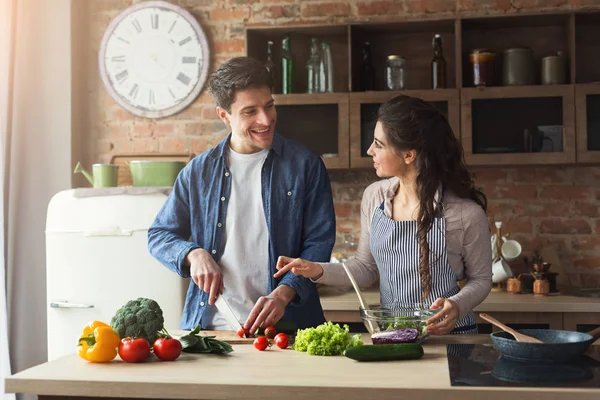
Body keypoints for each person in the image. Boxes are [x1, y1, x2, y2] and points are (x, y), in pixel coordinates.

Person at [275, 95, 492, 335]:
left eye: (379, 144)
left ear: (409, 155)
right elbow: (365, 268)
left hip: (450, 338)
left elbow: (481, 279)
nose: (370, 150)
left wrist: (458, 305)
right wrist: (315, 269)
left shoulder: (465, 214)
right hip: (393, 336)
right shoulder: (374, 197)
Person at [148, 57, 335, 334]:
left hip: (290, 327)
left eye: (269, 106)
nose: (265, 119)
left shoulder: (305, 165)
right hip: (213, 329)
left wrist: (284, 293)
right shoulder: (198, 172)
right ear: (224, 116)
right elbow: (159, 234)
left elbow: (319, 243)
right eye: (250, 112)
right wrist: (193, 253)